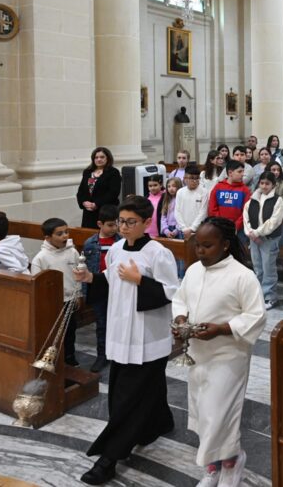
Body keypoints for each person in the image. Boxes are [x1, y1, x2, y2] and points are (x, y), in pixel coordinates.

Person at [74, 196, 179, 485]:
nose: (123, 227)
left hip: (147, 338)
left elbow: (173, 292)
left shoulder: (159, 253)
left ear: (147, 222)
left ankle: (109, 459)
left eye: (130, 222)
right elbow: (110, 278)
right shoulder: (117, 249)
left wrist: (141, 280)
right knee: (143, 387)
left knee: (128, 399)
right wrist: (90, 278)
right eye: (121, 221)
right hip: (121, 333)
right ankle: (160, 422)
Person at [171, 217, 266, 486]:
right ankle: (213, 467)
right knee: (203, 412)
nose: (200, 251)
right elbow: (180, 299)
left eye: (207, 245)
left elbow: (256, 316)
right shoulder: (193, 271)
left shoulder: (242, 276)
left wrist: (222, 329)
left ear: (225, 245)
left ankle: (232, 464)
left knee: (220, 414)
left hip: (228, 356)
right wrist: (180, 320)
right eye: (197, 245)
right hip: (198, 354)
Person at [32, 218, 82, 367]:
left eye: (66, 232)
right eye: (59, 234)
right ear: (48, 237)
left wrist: (78, 294)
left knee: (70, 330)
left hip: (70, 299)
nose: (65, 236)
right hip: (52, 302)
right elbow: (37, 283)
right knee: (54, 332)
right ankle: (54, 359)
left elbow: (78, 274)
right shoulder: (40, 258)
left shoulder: (72, 252)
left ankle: (69, 356)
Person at [81, 204, 121, 373]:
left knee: (119, 322)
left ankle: (118, 353)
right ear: (100, 224)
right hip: (99, 287)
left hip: (118, 287)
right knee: (102, 323)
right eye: (110, 225)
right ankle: (102, 355)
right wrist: (85, 292)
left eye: (116, 224)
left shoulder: (122, 242)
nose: (114, 228)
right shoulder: (90, 243)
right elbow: (86, 269)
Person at [243, 172, 283, 310]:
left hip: (269, 239)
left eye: (267, 183)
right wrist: (250, 233)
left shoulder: (277, 200)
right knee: (258, 268)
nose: (264, 186)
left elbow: (274, 221)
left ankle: (270, 297)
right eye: (262, 183)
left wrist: (258, 233)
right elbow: (246, 218)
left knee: (268, 269)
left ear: (273, 185)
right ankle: (259, 294)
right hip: (254, 239)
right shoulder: (252, 199)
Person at [76, 147, 122, 229]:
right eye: (96, 157)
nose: (99, 159)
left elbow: (113, 192)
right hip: (89, 212)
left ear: (108, 158)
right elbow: (81, 191)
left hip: (106, 211)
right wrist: (83, 202)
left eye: (102, 157)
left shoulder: (113, 172)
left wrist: (96, 204)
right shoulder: (87, 172)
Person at [207, 160, 251, 234]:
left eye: (243, 171)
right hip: (219, 227)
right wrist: (220, 224)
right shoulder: (218, 187)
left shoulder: (245, 190)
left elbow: (246, 212)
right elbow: (212, 208)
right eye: (239, 172)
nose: (243, 174)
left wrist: (235, 226)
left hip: (238, 230)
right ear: (230, 173)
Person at [175, 165, 209, 241]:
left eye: (197, 178)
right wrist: (184, 228)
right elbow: (177, 212)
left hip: (198, 230)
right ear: (185, 178)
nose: (195, 181)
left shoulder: (204, 192)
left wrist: (192, 228)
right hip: (183, 230)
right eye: (191, 178)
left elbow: (203, 212)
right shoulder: (180, 192)